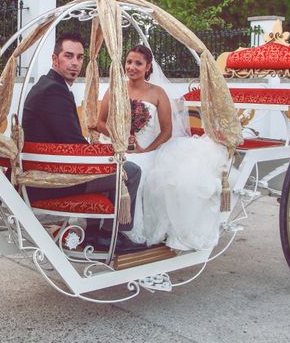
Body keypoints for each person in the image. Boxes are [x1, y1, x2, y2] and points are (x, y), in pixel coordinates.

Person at [97, 44, 228, 251]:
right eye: (129, 62)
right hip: (119, 147)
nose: (132, 67)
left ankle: (129, 231)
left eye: (138, 63)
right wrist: (120, 137)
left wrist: (147, 150)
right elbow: (100, 122)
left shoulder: (158, 93)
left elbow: (166, 131)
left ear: (148, 67)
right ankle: (103, 228)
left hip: (149, 150)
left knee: (138, 173)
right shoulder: (115, 90)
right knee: (109, 170)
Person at [22, 32, 144, 253]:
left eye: (79, 58)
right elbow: (74, 146)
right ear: (54, 59)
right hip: (54, 180)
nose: (75, 63)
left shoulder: (49, 84)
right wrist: (108, 155)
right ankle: (110, 236)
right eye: (68, 56)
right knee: (130, 171)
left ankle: (96, 234)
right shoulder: (54, 91)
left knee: (114, 168)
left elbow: (68, 141)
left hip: (47, 169)